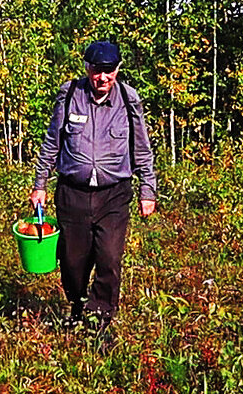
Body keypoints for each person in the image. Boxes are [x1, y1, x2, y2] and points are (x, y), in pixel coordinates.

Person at [30, 40, 156, 332]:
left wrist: (147, 190)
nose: (102, 78)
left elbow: (142, 148)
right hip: (72, 193)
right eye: (97, 71)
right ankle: (76, 308)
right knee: (73, 262)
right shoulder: (70, 94)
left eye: (109, 71)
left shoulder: (128, 98)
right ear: (87, 68)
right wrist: (40, 185)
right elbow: (52, 142)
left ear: (118, 69)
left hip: (114, 195)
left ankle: (99, 321)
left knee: (109, 259)